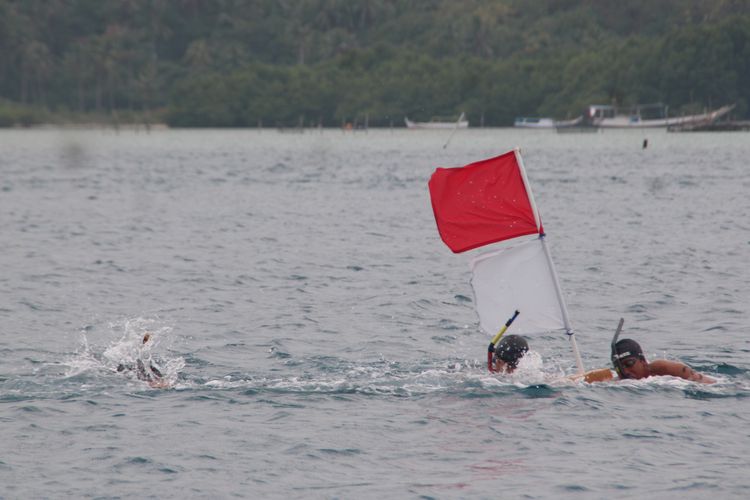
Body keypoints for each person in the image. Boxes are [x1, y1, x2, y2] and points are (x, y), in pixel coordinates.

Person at [576, 337, 715, 384]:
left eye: (629, 364)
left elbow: (705, 382)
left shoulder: (663, 369)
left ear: (642, 361)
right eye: (619, 368)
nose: (625, 371)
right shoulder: (616, 381)